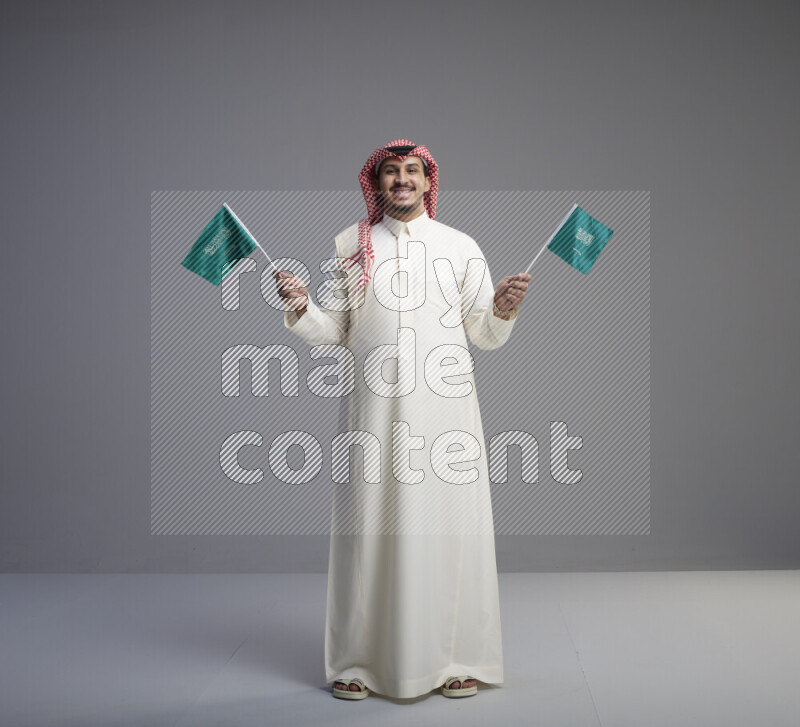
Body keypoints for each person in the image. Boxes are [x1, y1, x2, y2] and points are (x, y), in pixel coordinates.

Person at [273, 139, 530, 700]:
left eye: (412, 171)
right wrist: (301, 307)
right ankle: (360, 663)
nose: (402, 180)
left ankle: (456, 658)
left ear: (428, 181)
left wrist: (503, 308)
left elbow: (484, 334)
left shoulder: (461, 246)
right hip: (374, 412)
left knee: (450, 530)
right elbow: (334, 330)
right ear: (377, 183)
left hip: (446, 416)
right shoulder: (350, 245)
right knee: (368, 531)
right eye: (391, 172)